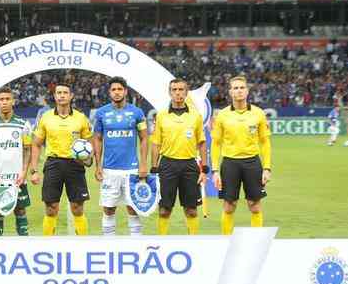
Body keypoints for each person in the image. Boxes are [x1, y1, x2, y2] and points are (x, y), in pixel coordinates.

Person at [211, 75, 272, 235]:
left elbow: (265, 142)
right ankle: (226, 241)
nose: (239, 91)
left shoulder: (258, 113)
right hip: (230, 163)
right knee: (229, 206)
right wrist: (215, 170)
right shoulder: (222, 115)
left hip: (252, 162)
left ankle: (256, 241)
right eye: (235, 88)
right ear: (230, 92)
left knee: (255, 205)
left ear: (247, 91)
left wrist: (267, 168)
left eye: (242, 88)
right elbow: (216, 143)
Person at [30, 83, 92, 236]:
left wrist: (88, 160)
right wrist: (34, 170)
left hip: (75, 165)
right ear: (54, 96)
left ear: (71, 96)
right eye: (59, 93)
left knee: (77, 207)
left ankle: (83, 245)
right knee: (51, 208)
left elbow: (88, 144)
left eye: (65, 92)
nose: (62, 95)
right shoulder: (45, 118)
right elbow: (36, 144)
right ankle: (48, 245)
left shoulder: (81, 118)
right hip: (53, 164)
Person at [150, 79, 207, 235]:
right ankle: (162, 244)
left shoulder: (195, 116)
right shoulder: (161, 116)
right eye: (174, 89)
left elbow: (202, 143)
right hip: (167, 165)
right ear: (170, 93)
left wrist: (204, 169)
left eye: (181, 89)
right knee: (164, 210)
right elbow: (155, 144)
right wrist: (154, 168)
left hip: (189, 165)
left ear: (186, 92)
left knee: (191, 210)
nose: (178, 93)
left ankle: (193, 243)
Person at [92, 76, 148, 236]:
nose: (117, 92)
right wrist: (98, 166)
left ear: (125, 91)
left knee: (133, 208)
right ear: (109, 92)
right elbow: (97, 138)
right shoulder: (102, 113)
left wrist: (143, 164)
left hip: (132, 169)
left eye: (120, 89)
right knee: (109, 208)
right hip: (109, 170)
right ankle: (110, 244)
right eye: (113, 90)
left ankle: (136, 244)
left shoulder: (137, 112)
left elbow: (144, 138)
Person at [0, 87, 32, 236]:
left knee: (20, 210)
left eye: (7, 99)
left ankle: (24, 245)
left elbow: (27, 149)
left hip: (17, 177)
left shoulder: (23, 124)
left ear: (13, 101)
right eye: (1, 99)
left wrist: (23, 173)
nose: (4, 102)